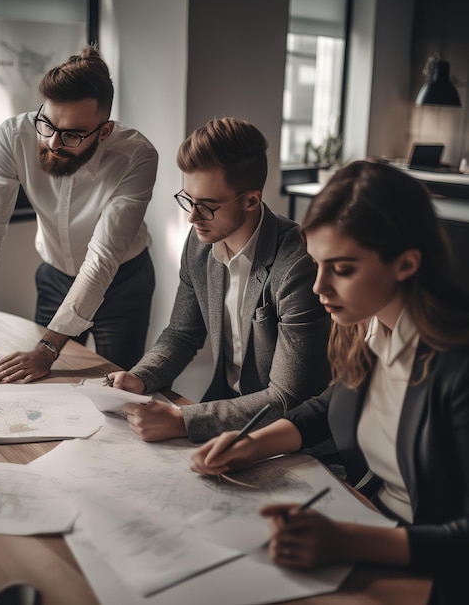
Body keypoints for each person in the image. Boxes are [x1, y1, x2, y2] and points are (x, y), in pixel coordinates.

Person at [190, 160, 469, 605]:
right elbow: (328, 405)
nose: (319, 287)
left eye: (341, 268)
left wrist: (346, 542)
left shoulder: (456, 367)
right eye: (317, 264)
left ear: (406, 263)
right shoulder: (370, 325)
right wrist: (254, 444)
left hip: (429, 566)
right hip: (367, 520)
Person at [109, 117, 331, 443]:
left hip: (288, 439)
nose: (192, 217)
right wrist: (141, 377)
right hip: (224, 411)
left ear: (251, 200)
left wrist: (182, 420)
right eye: (188, 199)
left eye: (207, 206)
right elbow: (182, 334)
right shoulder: (200, 242)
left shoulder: (297, 263)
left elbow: (288, 397)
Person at [0, 46, 158, 380]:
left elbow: (102, 256)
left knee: (117, 391)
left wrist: (47, 348)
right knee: (45, 389)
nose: (52, 143)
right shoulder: (14, 135)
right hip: (54, 279)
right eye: (46, 124)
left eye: (73, 134)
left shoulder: (138, 156)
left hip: (123, 284)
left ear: (103, 132)